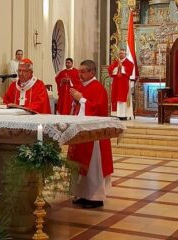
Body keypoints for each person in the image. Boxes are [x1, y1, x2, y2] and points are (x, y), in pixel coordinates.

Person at [67, 60, 113, 209]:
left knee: (93, 167)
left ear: (92, 72)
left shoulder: (98, 88)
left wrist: (81, 99)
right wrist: (76, 102)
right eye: (79, 71)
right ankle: (82, 194)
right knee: (78, 164)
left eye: (83, 71)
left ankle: (95, 197)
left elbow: (97, 109)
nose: (80, 74)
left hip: (94, 137)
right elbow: (77, 106)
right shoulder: (81, 87)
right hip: (81, 134)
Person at [108, 49, 134, 120]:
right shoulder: (116, 62)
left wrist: (122, 67)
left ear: (125, 54)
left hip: (124, 83)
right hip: (116, 83)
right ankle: (116, 114)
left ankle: (124, 115)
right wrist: (117, 67)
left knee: (123, 98)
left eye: (122, 53)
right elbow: (110, 69)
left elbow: (130, 72)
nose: (120, 55)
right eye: (119, 53)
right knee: (115, 97)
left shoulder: (129, 63)